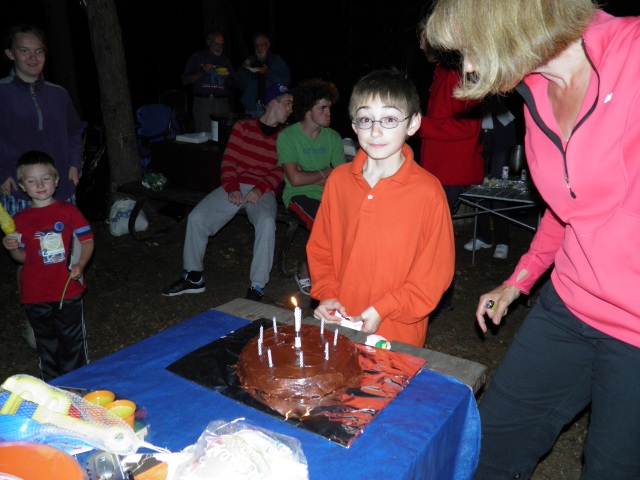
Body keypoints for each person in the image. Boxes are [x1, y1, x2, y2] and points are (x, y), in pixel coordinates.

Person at [426, 1, 640, 478]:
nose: (471, 68)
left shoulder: (633, 56)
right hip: (569, 306)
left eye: (472, 49)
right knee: (488, 447)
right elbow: (567, 210)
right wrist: (519, 281)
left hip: (637, 333)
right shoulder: (537, 92)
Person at [307, 69, 455, 348]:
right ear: (353, 125)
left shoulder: (428, 191)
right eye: (365, 119)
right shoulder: (339, 181)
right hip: (340, 322)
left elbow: (433, 275)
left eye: (389, 119)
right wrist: (327, 294)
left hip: (396, 330)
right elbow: (321, 248)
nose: (375, 130)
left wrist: (383, 309)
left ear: (413, 124)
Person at [161, 84, 293, 302]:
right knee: (197, 218)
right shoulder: (243, 127)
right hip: (235, 185)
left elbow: (279, 170)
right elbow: (229, 160)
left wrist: (259, 190)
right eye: (287, 103)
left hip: (262, 191)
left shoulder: (284, 138)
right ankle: (194, 277)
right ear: (272, 104)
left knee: (267, 223)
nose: (290, 109)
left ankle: (257, 286)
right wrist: (232, 188)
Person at [0, 24, 84, 349]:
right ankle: (37, 322)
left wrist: (74, 165)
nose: (33, 57)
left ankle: (68, 314)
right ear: (10, 54)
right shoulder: (3, 92)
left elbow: (75, 132)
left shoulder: (59, 94)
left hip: (61, 190)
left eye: (39, 51)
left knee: (65, 254)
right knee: (31, 259)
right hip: (19, 193)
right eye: (24, 50)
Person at [2, 151, 94, 381]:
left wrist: (81, 264)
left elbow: (87, 240)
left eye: (45, 178)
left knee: (72, 340)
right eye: (32, 180)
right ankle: (53, 386)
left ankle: (78, 384)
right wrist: (12, 247)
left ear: (56, 180)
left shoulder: (68, 211)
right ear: (23, 186)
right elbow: (23, 258)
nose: (40, 184)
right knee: (46, 344)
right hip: (34, 293)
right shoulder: (19, 220)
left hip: (67, 288)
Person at [417, 30, 484, 316]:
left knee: (437, 239)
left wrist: (421, 124)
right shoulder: (442, 72)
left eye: (423, 38)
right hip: (436, 170)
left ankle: (441, 301)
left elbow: (468, 127)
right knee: (431, 237)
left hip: (451, 172)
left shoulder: (458, 74)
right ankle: (434, 297)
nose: (420, 45)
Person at [276, 79, 345, 295]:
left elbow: (341, 178)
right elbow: (295, 180)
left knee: (352, 222)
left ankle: (340, 274)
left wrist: (310, 175)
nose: (328, 113)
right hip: (298, 196)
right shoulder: (288, 137)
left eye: (329, 108)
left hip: (329, 196)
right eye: (322, 108)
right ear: (308, 110)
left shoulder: (333, 137)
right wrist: (325, 173)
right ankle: (305, 270)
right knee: (325, 226)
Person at [463, 94, 521, 259]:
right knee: (479, 186)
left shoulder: (504, 79)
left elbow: (515, 102)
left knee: (497, 189)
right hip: (479, 135)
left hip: (501, 136)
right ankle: (483, 236)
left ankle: (503, 240)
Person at [181, 30, 236, 133]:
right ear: (208, 42)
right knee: (204, 135)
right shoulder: (197, 56)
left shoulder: (225, 60)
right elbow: (185, 81)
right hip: (203, 103)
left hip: (221, 103)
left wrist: (226, 78)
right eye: (217, 44)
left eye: (222, 45)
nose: (219, 47)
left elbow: (234, 84)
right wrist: (201, 71)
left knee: (222, 135)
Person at [236, 33, 290, 118]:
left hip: (272, 107)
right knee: (252, 131)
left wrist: (269, 73)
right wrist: (245, 70)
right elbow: (239, 84)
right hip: (252, 108)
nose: (258, 48)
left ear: (268, 45)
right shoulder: (250, 61)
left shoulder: (276, 60)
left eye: (261, 45)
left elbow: (286, 81)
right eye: (256, 45)